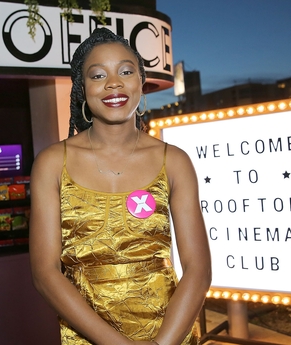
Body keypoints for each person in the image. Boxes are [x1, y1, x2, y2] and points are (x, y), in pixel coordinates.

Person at [29, 28, 212, 345]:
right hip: (87, 335)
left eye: (126, 71)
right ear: (82, 89)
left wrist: (162, 344)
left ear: (141, 82)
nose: (114, 83)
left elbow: (198, 271)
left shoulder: (175, 161)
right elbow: (45, 274)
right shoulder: (51, 163)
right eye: (98, 75)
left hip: (170, 333)